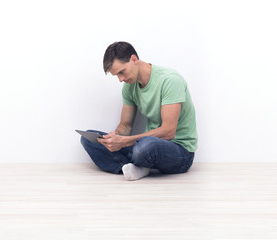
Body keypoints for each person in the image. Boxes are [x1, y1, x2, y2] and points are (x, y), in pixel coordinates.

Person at [80, 41, 197, 181]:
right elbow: (126, 126)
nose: (120, 79)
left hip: (179, 151)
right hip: (145, 145)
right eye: (116, 75)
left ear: (134, 59)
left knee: (145, 147)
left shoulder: (170, 80)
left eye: (121, 72)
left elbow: (168, 131)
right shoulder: (129, 87)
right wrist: (115, 137)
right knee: (90, 140)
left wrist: (126, 141)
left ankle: (138, 164)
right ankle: (134, 168)